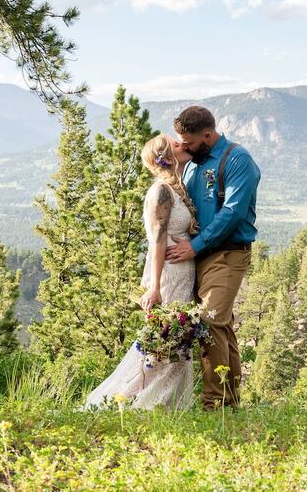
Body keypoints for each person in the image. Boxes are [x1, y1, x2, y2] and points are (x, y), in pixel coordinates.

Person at [83, 134, 200, 410]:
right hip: (168, 274)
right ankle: (126, 401)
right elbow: (157, 240)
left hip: (182, 273)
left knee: (176, 343)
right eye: (176, 143)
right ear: (167, 156)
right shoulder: (161, 191)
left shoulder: (176, 188)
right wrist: (155, 287)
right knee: (163, 343)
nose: (183, 144)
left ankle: (164, 405)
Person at [166, 105, 261, 409]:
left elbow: (232, 212)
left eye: (190, 142)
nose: (186, 148)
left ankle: (213, 403)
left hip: (228, 254)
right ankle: (229, 403)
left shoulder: (237, 159)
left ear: (207, 135)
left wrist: (195, 245)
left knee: (208, 321)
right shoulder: (192, 164)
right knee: (221, 326)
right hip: (199, 257)